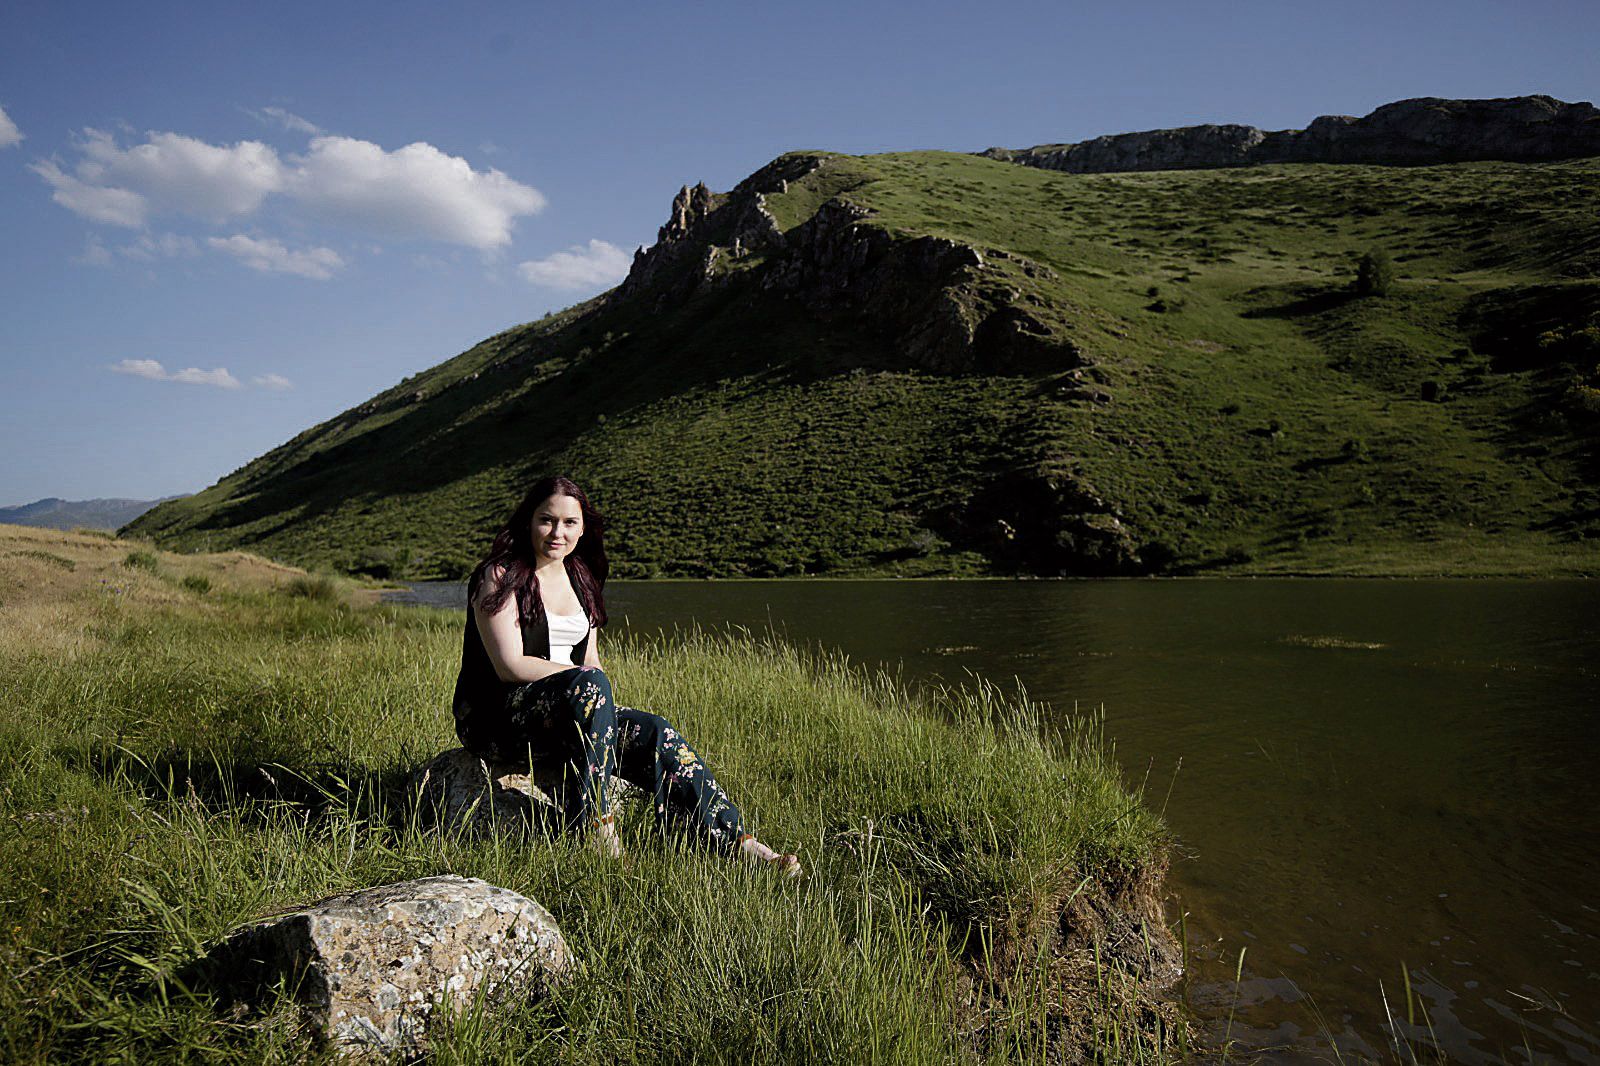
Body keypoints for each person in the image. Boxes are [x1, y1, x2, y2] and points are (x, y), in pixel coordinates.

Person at [451, 475, 800, 875]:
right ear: (529, 520)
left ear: (583, 528)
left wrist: (599, 709)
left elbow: (591, 659)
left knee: (654, 732)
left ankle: (738, 843)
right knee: (591, 685)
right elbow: (509, 665)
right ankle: (597, 829)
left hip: (570, 714)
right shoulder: (499, 576)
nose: (557, 533)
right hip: (499, 720)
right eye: (547, 520)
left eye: (569, 523)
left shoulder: (581, 579)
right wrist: (587, 687)